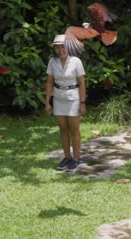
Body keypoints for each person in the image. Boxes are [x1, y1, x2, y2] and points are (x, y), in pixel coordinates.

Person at [45, 34, 86, 172]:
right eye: (57, 47)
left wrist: (82, 102)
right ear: (55, 49)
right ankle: (67, 157)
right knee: (63, 129)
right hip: (58, 98)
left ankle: (76, 158)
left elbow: (81, 83)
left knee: (74, 129)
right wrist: (47, 102)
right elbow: (50, 82)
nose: (60, 49)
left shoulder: (76, 61)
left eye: (63, 46)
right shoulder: (52, 62)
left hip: (73, 98)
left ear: (68, 47)